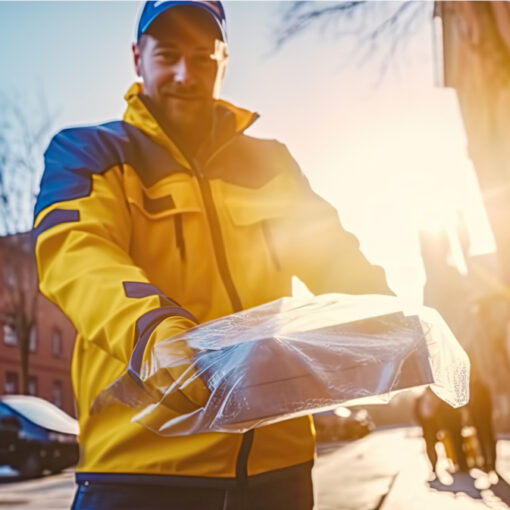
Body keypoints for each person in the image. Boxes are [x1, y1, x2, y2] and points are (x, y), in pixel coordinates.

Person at [32, 2, 392, 509]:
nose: (186, 73)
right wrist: (153, 334)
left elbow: (328, 251)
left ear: (224, 61)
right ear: (138, 57)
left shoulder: (272, 163)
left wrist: (385, 314)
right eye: (169, 55)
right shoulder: (88, 153)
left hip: (280, 471)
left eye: (203, 57)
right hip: (142, 474)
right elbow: (77, 253)